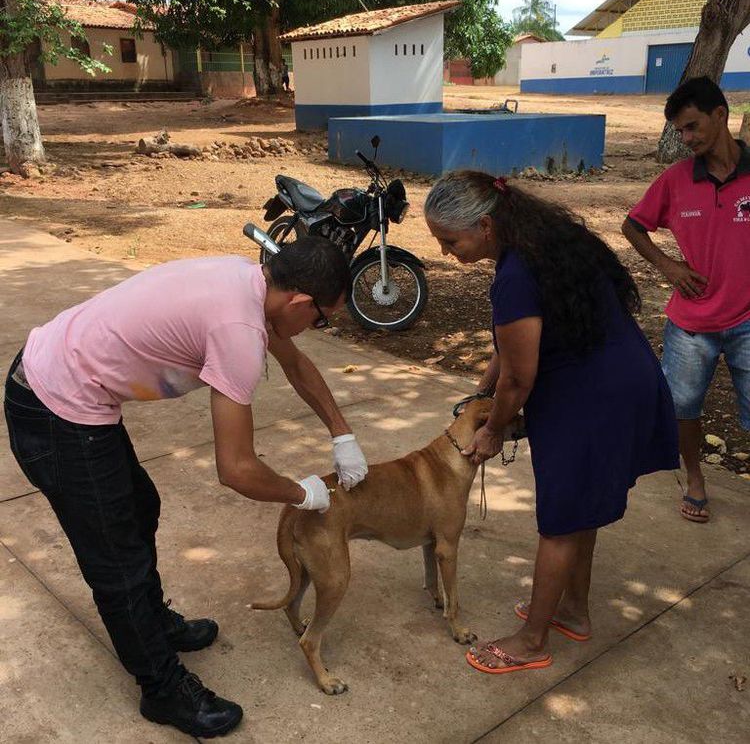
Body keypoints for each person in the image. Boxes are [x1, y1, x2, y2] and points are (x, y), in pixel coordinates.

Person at [3, 236, 368, 737]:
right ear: (300, 303)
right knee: (116, 558)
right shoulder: (238, 329)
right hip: (54, 407)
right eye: (323, 319)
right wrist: (301, 493)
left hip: (64, 382)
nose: (316, 329)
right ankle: (163, 689)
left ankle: (150, 621)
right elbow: (236, 468)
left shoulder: (251, 283)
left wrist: (341, 433)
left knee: (139, 506)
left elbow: (297, 365)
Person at [424, 171, 678, 675]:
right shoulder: (553, 241)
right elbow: (508, 349)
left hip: (590, 398)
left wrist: (493, 427)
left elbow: (519, 377)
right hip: (621, 377)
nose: (448, 252)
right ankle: (573, 611)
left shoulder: (517, 275)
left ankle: (532, 639)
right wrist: (481, 391)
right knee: (579, 508)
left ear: (487, 225)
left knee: (560, 520)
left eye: (450, 241)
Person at [624, 76, 750, 524]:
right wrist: (669, 267)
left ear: (721, 115)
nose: (687, 138)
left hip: (748, 321)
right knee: (682, 409)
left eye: (693, 126)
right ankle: (695, 479)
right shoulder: (676, 180)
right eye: (681, 131)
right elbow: (633, 226)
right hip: (691, 325)